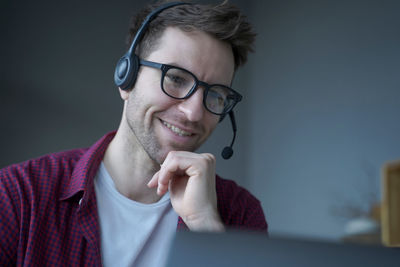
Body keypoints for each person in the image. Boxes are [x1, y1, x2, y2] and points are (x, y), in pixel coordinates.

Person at [0, 1, 267, 266]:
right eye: (175, 78)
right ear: (126, 78)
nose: (194, 112)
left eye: (216, 94)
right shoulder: (18, 196)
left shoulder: (239, 214)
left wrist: (206, 227)